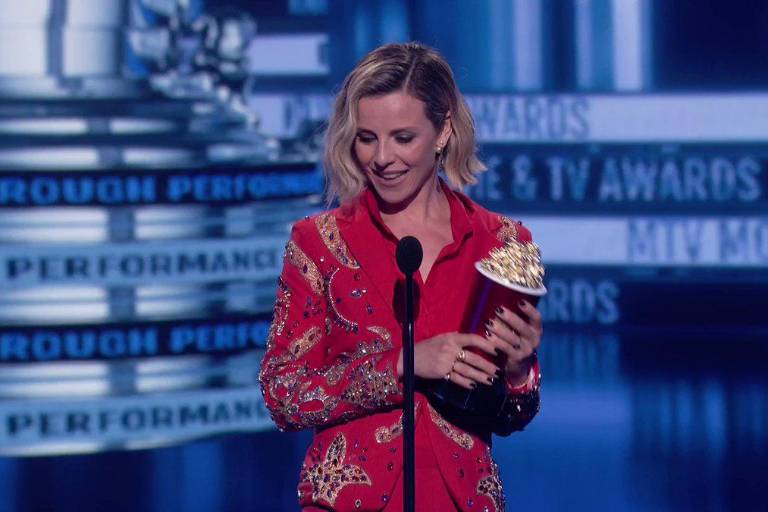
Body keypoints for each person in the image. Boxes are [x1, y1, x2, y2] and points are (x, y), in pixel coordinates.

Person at [259, 42, 543, 512]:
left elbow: (514, 415)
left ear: (443, 130)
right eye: (367, 138)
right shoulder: (319, 242)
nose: (382, 157)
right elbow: (282, 393)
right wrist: (403, 365)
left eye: (403, 138)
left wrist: (518, 372)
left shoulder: (502, 242)